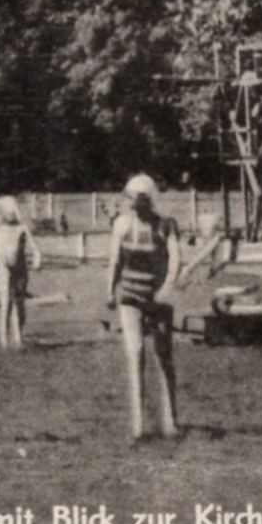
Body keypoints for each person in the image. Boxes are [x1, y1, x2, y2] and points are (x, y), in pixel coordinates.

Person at [107, 173, 182, 441]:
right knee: (135, 352)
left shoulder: (165, 226)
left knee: (164, 357)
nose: (137, 205)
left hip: (157, 299)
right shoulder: (121, 225)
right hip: (129, 297)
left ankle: (170, 419)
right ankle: (138, 424)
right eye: (133, 199)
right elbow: (115, 260)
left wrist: (166, 288)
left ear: (150, 201)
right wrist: (109, 291)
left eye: (142, 200)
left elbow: (175, 261)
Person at [0, 195, 42, 350]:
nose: (11, 215)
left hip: (20, 269)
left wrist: (37, 258)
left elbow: (35, 247)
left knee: (19, 304)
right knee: (6, 302)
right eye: (8, 213)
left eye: (13, 212)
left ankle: (18, 337)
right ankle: (4, 339)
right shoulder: (0, 230)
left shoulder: (22, 228)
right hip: (4, 268)